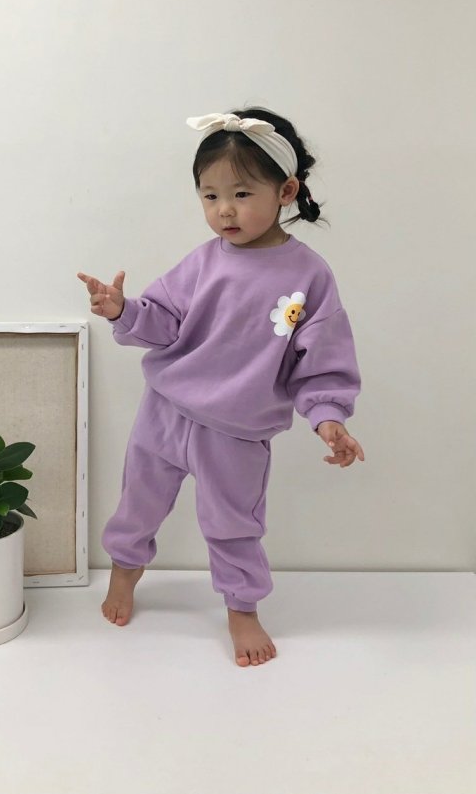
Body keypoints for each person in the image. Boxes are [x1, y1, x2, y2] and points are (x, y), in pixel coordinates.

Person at [77, 107, 364, 667]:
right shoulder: (203, 262)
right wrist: (123, 310)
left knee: (234, 525)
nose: (224, 210)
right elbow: (163, 320)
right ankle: (124, 573)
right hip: (165, 411)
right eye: (210, 196)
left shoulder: (308, 276)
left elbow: (321, 360)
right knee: (138, 503)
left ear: (286, 191)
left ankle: (242, 608)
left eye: (241, 194)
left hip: (236, 430)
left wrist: (328, 415)